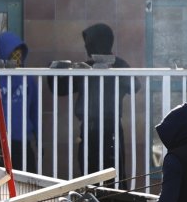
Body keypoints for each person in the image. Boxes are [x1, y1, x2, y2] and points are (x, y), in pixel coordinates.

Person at [51, 23, 135, 171]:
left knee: (113, 174)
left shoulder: (119, 65)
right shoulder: (86, 68)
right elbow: (61, 89)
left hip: (111, 128)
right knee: (89, 172)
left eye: (89, 43)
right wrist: (53, 72)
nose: (87, 48)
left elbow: (135, 86)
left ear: (99, 43)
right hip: (89, 128)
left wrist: (114, 70)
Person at [0, 31, 39, 172]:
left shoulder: (27, 78)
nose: (16, 57)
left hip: (22, 140)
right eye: (13, 53)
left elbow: (35, 110)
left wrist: (39, 138)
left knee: (26, 183)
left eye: (19, 53)